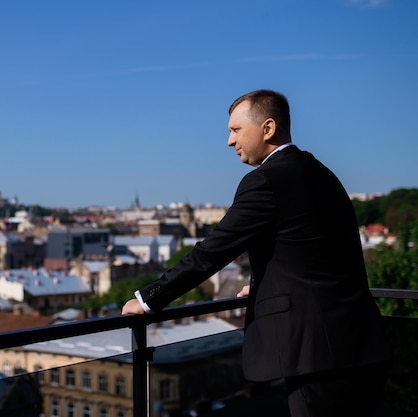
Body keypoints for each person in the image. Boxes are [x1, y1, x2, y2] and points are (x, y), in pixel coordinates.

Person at [122, 89, 390, 417]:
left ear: (268, 128)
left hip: (318, 356)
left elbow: (213, 251)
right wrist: (267, 283)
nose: (229, 141)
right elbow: (316, 251)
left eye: (235, 130)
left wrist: (149, 298)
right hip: (362, 342)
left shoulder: (265, 180)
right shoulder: (321, 173)